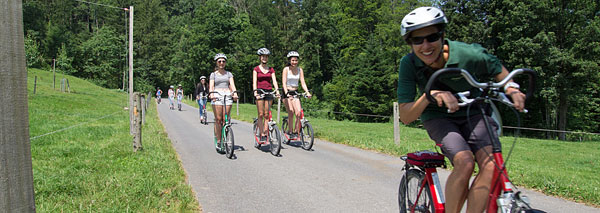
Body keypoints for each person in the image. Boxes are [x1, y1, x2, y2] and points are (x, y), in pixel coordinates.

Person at [396, 7, 526, 212]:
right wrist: (431, 95)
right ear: (410, 44)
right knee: (465, 162)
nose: (425, 46)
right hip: (439, 117)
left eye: (432, 37)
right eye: (417, 41)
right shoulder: (409, 63)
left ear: (442, 35)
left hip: (474, 112)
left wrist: (512, 88)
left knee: (491, 165)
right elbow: (406, 115)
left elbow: (496, 67)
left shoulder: (467, 53)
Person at [209, 53, 238, 147]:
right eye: (219, 61)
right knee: (218, 119)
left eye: (223, 61)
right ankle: (218, 139)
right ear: (217, 63)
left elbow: (232, 85)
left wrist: (235, 93)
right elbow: (211, 86)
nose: (221, 63)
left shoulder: (229, 74)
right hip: (217, 95)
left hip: (227, 94)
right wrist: (212, 94)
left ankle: (226, 136)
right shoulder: (213, 75)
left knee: (226, 119)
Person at [281, 51, 311, 138]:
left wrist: (307, 92)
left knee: (298, 113)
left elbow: (303, 82)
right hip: (286, 92)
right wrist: (286, 93)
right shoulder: (286, 69)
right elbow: (283, 83)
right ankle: (290, 132)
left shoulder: (299, 70)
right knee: (291, 112)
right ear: (289, 60)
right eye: (293, 60)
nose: (294, 62)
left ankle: (295, 131)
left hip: (295, 92)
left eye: (296, 60)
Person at [253, 48, 280, 142]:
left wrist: (277, 91)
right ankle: (262, 133)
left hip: (268, 91)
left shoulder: (271, 69)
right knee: (260, 114)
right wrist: (255, 92)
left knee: (266, 114)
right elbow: (254, 82)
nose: (264, 58)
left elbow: (274, 81)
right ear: (260, 57)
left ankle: (265, 131)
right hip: (260, 91)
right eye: (263, 56)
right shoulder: (256, 69)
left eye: (266, 56)